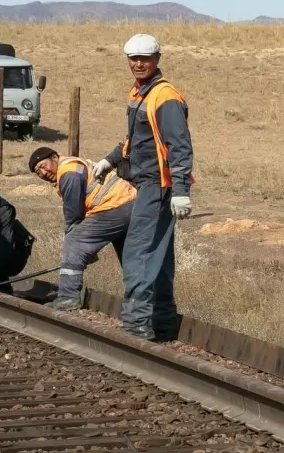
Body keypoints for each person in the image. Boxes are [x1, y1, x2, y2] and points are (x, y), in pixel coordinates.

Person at [92, 33, 194, 341]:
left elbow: (180, 146)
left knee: (139, 251)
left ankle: (137, 322)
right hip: (147, 183)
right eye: (133, 59)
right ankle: (162, 320)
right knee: (159, 254)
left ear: (157, 59)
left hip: (158, 186)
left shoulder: (166, 98)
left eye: (144, 58)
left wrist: (180, 191)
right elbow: (136, 139)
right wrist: (111, 159)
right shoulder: (140, 94)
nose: (138, 63)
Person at [30, 147, 134, 312]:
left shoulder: (68, 172)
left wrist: (76, 249)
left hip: (114, 206)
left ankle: (68, 297)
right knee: (131, 260)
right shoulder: (71, 167)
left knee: (74, 241)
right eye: (38, 172)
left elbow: (73, 214)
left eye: (43, 166)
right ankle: (140, 308)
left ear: (54, 157)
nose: (43, 172)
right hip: (129, 204)